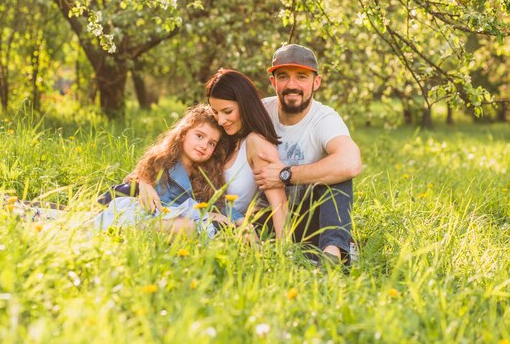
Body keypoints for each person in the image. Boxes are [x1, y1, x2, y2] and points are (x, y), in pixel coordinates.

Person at [252, 44, 362, 264]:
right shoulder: (260, 112)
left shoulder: (324, 119)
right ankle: (310, 253)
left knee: (339, 177)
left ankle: (332, 255)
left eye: (301, 77)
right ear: (273, 82)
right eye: (283, 77)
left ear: (316, 82)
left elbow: (351, 163)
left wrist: (286, 174)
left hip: (312, 216)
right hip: (268, 217)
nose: (292, 85)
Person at [94, 104, 244, 238]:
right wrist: (144, 183)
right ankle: (121, 227)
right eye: (199, 136)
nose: (204, 145)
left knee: (195, 228)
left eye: (211, 143)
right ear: (184, 133)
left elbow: (220, 204)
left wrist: (243, 222)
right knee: (188, 227)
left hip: (171, 221)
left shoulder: (207, 174)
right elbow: (135, 180)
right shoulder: (162, 160)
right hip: (146, 213)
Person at [205, 69, 288, 239]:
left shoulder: (256, 143)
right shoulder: (220, 135)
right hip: (185, 208)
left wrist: (284, 252)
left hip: (221, 225)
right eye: (215, 112)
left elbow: (279, 202)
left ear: (245, 105)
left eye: (227, 112)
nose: (221, 120)